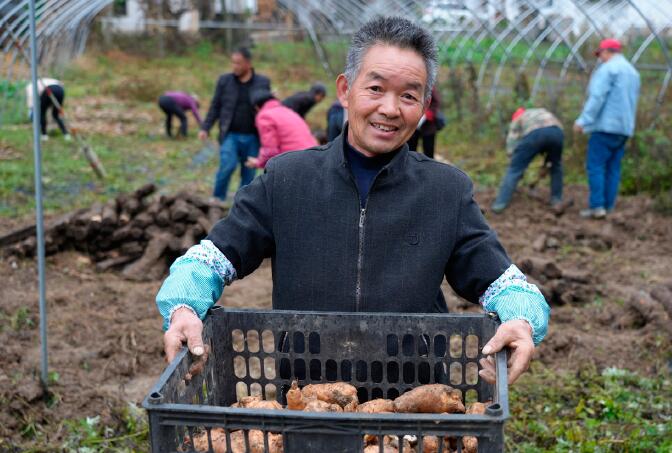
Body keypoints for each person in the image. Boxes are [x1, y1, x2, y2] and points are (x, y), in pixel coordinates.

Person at [157, 16, 550, 386]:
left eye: (409, 96)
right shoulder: (287, 179)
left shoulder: (445, 191)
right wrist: (184, 308)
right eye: (375, 88)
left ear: (424, 107)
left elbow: (504, 283)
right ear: (345, 90)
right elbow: (210, 258)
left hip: (413, 401)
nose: (390, 109)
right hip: (307, 397)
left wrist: (522, 319)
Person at [574, 38, 640, 219]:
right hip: (624, 128)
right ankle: (608, 206)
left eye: (600, 54)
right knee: (613, 168)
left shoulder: (607, 70)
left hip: (605, 127)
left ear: (607, 52)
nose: (600, 58)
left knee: (595, 166)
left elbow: (597, 97)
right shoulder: (633, 72)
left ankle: (597, 207)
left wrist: (583, 121)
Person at [199, 48, 272, 201]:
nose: (234, 66)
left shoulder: (262, 82)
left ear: (248, 63)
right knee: (227, 165)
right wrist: (206, 127)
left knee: (249, 174)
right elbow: (215, 106)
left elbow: (267, 108)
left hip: (253, 136)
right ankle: (217, 199)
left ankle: (242, 205)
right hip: (230, 134)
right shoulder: (225, 81)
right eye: (233, 62)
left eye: (238, 63)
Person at [491, 107, 564, 213]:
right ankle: (556, 200)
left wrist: (513, 160)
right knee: (556, 167)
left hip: (535, 134)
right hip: (557, 132)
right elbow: (549, 134)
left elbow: (512, 141)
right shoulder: (540, 111)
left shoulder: (518, 118)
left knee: (514, 170)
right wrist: (547, 164)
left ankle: (500, 204)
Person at [245, 89, 318, 169]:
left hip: (295, 161)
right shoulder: (288, 111)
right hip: (314, 155)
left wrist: (258, 163)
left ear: (256, 107)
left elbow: (270, 150)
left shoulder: (264, 116)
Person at [406, 86, 441, 158]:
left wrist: (427, 115)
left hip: (428, 126)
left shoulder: (430, 87)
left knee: (429, 151)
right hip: (412, 125)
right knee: (410, 151)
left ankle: (430, 168)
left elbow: (436, 102)